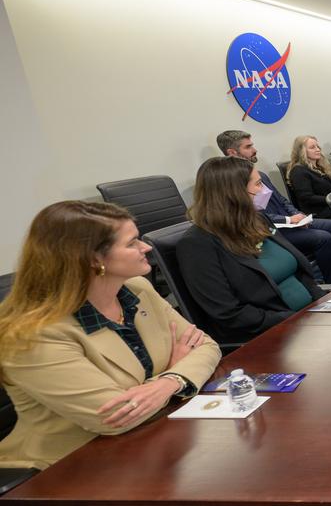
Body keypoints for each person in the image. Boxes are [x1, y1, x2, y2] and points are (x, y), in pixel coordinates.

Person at [0, 201, 220, 469]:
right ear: (93, 259)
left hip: (155, 438)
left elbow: (207, 345)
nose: (146, 247)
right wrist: (175, 372)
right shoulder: (33, 335)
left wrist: (170, 381)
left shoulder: (136, 289)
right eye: (132, 243)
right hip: (72, 466)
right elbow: (115, 417)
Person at [177, 157, 324, 344]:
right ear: (234, 193)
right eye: (258, 184)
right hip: (270, 335)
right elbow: (229, 314)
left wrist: (321, 303)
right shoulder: (198, 244)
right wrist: (296, 319)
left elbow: (299, 272)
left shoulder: (259, 220)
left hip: (310, 318)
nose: (265, 191)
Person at [217, 130, 331, 284]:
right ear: (232, 152)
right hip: (273, 230)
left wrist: (297, 215)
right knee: (323, 238)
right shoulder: (233, 183)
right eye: (248, 147)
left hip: (292, 221)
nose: (254, 150)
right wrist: (289, 219)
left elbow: (282, 200)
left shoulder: (261, 175)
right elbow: (255, 216)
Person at [286, 135, 331, 220]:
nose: (318, 149)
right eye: (312, 147)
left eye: (317, 146)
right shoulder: (298, 171)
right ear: (301, 151)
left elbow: (329, 190)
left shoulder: (320, 167)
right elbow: (307, 198)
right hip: (319, 213)